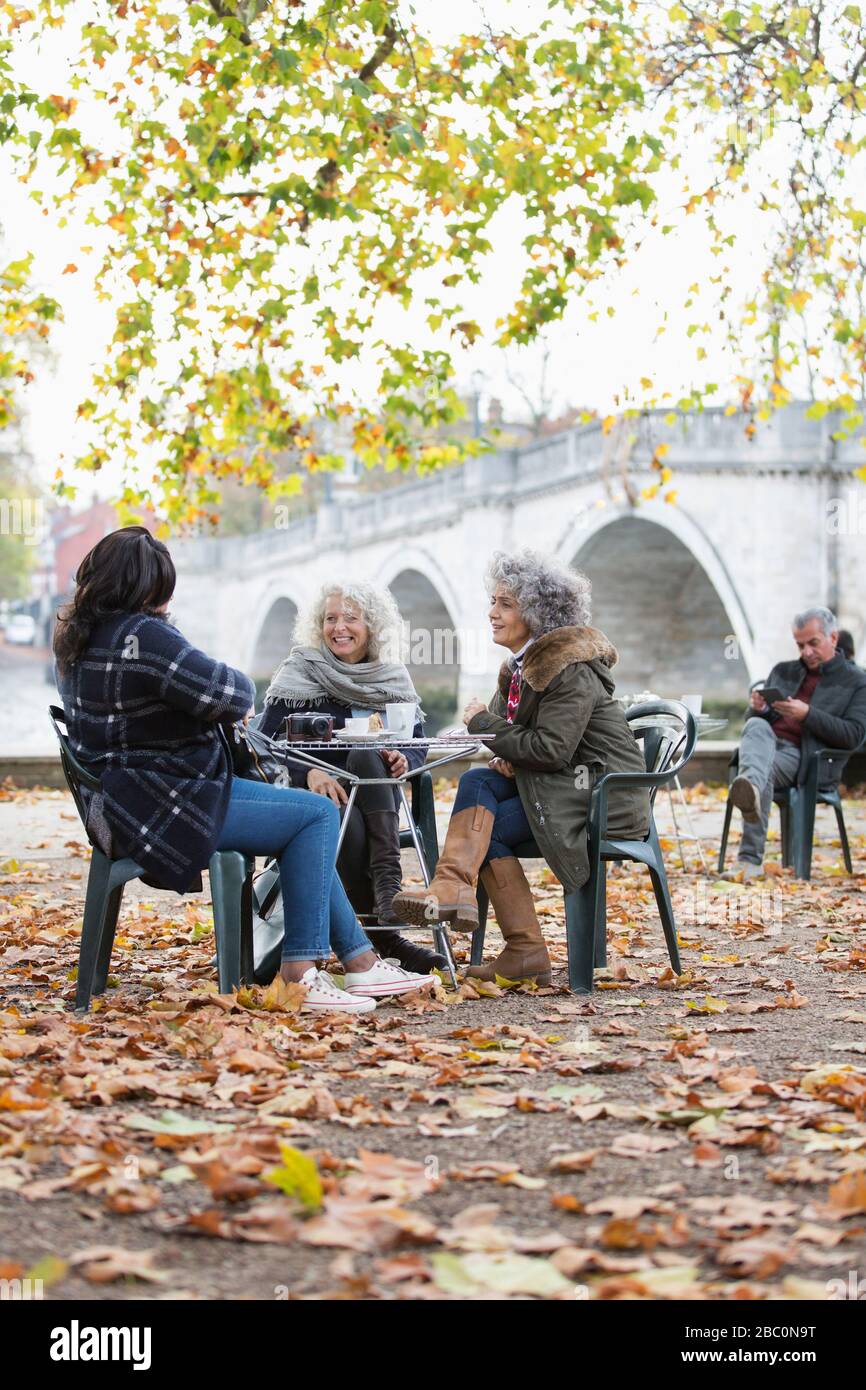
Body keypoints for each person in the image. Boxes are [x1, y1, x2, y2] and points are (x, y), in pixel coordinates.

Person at [53, 528, 432, 1013]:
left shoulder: (76, 640)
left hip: (120, 804)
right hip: (170, 805)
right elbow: (233, 693)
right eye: (162, 587)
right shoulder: (143, 635)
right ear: (144, 586)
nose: (166, 599)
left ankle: (360, 963)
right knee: (315, 816)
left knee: (305, 819)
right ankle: (302, 974)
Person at [391, 549, 651, 984]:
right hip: (562, 789)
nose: (492, 613)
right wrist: (501, 753)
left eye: (505, 604)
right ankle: (461, 893)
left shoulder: (569, 670)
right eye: (493, 602)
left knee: (485, 825)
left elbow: (549, 750)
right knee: (479, 780)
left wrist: (485, 725)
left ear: (537, 612)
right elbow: (513, 744)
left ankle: (511, 937)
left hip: (603, 799)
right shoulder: (521, 668)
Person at [259, 582, 445, 974]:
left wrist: (403, 759)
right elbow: (263, 743)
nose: (338, 627)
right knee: (340, 818)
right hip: (315, 799)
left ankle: (386, 893)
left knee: (367, 753)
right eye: (330, 619)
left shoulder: (392, 678)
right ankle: (387, 930)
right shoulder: (299, 672)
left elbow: (416, 741)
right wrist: (307, 771)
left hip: (374, 793)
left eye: (350, 618)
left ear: (372, 626)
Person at [728, 606, 866, 879]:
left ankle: (749, 860)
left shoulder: (857, 682)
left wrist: (808, 715)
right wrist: (759, 708)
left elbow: (855, 735)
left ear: (833, 638)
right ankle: (752, 787)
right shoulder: (783, 670)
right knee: (756, 726)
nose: (806, 652)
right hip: (767, 746)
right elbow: (751, 723)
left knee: (757, 768)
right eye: (800, 645)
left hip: (808, 758)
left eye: (813, 643)